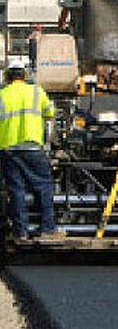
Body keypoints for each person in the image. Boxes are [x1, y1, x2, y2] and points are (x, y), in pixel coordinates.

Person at [0, 58, 63, 240]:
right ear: (24, 74)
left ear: (7, 76)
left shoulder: (2, 94)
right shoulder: (36, 92)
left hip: (8, 148)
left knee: (16, 190)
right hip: (33, 147)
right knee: (43, 186)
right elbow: (50, 113)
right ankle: (47, 229)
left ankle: (20, 232)